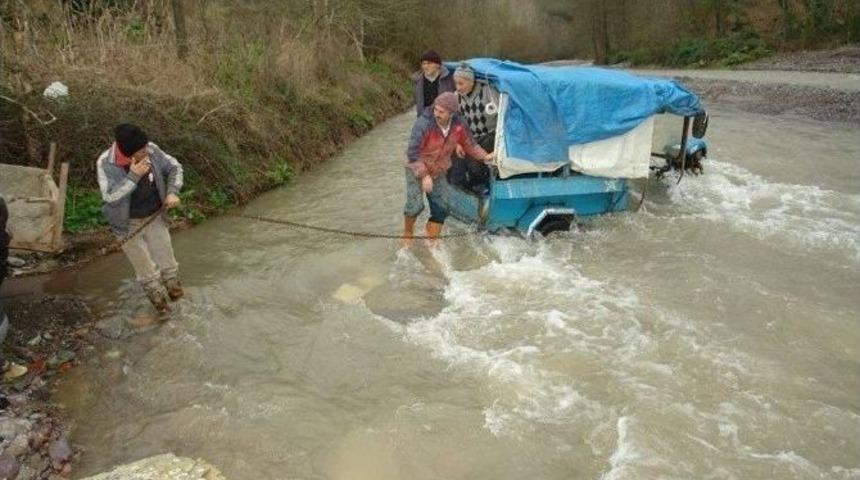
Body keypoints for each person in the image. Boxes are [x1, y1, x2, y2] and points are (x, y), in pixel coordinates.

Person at [96, 124, 184, 313]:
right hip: (127, 224)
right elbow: (110, 197)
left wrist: (172, 193)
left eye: (146, 147)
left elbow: (175, 167)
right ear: (128, 154)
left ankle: (179, 305)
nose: (147, 152)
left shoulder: (151, 148)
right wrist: (133, 177)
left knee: (169, 265)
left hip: (154, 216)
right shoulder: (106, 163)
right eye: (141, 151)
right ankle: (164, 313)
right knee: (147, 273)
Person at [403, 92, 494, 246]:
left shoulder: (459, 125)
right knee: (415, 206)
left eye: (441, 112)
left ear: (451, 113)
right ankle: (408, 233)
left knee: (442, 208)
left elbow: (470, 145)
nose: (436, 114)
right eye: (435, 110)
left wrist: (486, 157)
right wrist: (424, 175)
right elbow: (412, 152)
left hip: (439, 170)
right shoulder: (424, 123)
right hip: (417, 167)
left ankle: (432, 240)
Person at [450, 62, 500, 193]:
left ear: (471, 82)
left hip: (491, 135)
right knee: (468, 163)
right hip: (470, 137)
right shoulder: (456, 97)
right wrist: (458, 143)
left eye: (461, 84)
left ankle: (489, 185)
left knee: (484, 161)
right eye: (456, 84)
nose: (458, 88)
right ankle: (474, 187)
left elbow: (503, 115)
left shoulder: (488, 91)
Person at [413, 49, 455, 117]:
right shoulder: (417, 81)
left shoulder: (449, 78)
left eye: (429, 63)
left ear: (438, 65)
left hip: (445, 119)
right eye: (423, 63)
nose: (425, 66)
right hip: (424, 119)